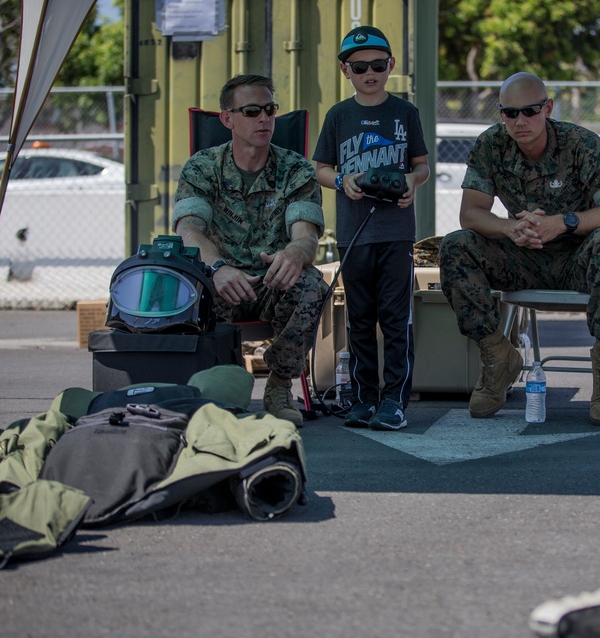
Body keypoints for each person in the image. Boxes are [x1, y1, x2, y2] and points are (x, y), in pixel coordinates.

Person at [438, 72, 600, 427]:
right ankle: (497, 356)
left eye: (530, 111)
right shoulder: (491, 145)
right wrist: (509, 227)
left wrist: (564, 222)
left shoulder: (581, 144)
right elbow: (470, 213)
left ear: (547, 108)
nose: (520, 121)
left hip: (579, 258)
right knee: (457, 246)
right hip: (523, 255)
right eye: (509, 113)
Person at [173, 73, 327, 428]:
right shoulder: (202, 167)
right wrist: (218, 267)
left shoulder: (296, 170)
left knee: (311, 285)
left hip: (270, 282)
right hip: (220, 282)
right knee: (191, 287)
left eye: (270, 110)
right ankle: (218, 387)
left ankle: (278, 386)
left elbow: (305, 235)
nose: (264, 119)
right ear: (227, 118)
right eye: (253, 111)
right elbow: (188, 229)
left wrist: (294, 255)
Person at [313, 26, 430, 431]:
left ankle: (394, 400)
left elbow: (422, 166)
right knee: (359, 318)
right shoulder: (338, 116)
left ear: (391, 66)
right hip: (354, 232)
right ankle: (364, 399)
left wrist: (411, 184)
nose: (369, 73)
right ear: (345, 70)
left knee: (396, 319)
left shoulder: (405, 113)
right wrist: (342, 178)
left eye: (378, 65)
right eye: (359, 66)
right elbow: (321, 169)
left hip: (396, 232)